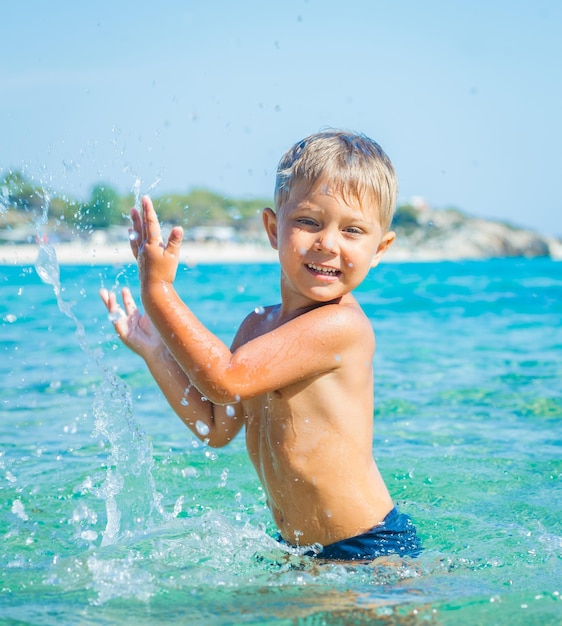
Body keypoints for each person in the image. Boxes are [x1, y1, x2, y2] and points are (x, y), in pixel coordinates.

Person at [100, 130, 421, 561]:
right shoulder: (256, 326)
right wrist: (156, 351)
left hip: (368, 550)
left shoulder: (342, 325)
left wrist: (158, 290)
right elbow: (215, 424)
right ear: (273, 228)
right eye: (308, 221)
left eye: (353, 230)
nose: (328, 243)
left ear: (379, 248)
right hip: (301, 552)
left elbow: (225, 379)